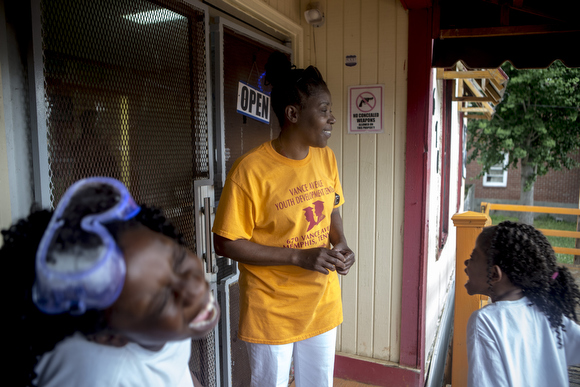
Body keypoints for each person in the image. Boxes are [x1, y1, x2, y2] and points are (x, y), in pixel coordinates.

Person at [212, 51, 355, 387]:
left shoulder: (326, 158)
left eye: (330, 111)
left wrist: (341, 243)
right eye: (323, 111)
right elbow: (225, 241)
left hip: (322, 303)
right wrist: (297, 256)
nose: (332, 119)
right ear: (292, 114)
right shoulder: (250, 171)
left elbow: (332, 206)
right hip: (271, 311)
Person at [3, 177, 219, 387]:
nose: (196, 288)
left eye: (179, 260)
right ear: (110, 337)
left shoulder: (158, 324)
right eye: (162, 301)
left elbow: (177, 370)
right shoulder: (102, 378)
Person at [464, 220, 580, 387]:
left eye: (472, 258)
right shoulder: (548, 312)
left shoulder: (485, 321)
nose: (465, 264)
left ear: (494, 274)